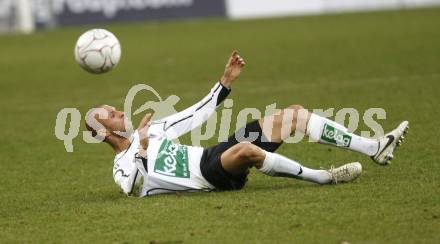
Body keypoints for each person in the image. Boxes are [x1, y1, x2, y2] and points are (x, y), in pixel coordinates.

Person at [85, 51, 409, 197]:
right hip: (209, 177)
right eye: (110, 115)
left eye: (114, 109)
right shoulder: (121, 165)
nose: (117, 112)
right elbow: (134, 188)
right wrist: (140, 149)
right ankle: (324, 178)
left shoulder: (154, 128)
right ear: (104, 132)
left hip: (213, 155)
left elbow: (197, 112)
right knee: (247, 149)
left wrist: (224, 82)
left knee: (293, 114)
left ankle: (374, 147)